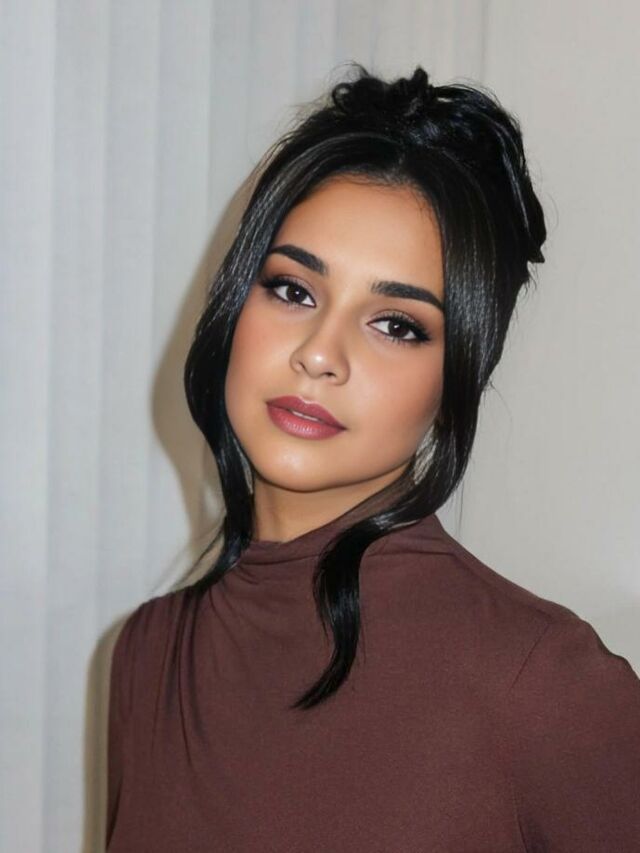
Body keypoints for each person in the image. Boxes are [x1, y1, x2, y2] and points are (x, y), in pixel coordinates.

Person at [105, 63, 640, 852]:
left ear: (455, 381)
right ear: (235, 302)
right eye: (293, 290)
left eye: (396, 324)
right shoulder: (148, 654)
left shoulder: (544, 686)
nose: (320, 354)